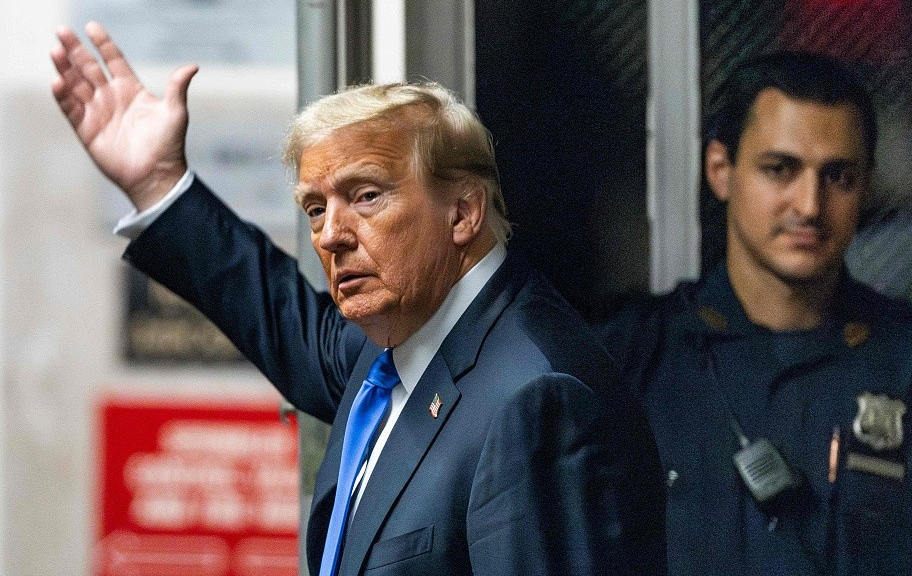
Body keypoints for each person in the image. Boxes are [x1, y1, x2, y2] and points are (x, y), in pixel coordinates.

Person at [50, 22, 665, 576]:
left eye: (366, 195)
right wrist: (158, 184)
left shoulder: (534, 398)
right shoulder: (403, 345)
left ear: (463, 212)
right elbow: (285, 320)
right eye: (316, 208)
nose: (330, 234)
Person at [598, 51, 912, 575]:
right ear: (721, 171)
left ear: (866, 187)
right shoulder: (633, 360)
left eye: (838, 176)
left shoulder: (901, 362)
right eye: (780, 169)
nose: (810, 204)